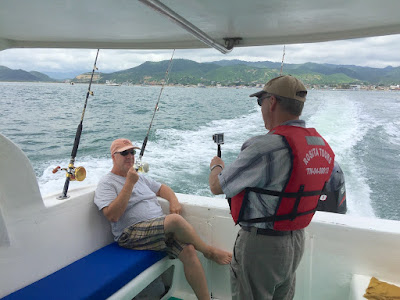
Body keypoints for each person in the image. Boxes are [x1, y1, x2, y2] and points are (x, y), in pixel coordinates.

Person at [208, 75, 335, 300]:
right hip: (295, 241)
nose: (261, 109)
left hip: (262, 245)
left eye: (261, 102)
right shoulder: (319, 145)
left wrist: (216, 167)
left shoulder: (264, 147)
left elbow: (218, 186)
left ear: (272, 102)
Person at [94, 138, 232, 300]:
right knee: (174, 220)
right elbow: (112, 215)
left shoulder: (140, 178)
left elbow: (162, 189)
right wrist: (129, 184)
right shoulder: (107, 183)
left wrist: (173, 201)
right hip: (130, 234)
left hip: (156, 229)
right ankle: (209, 252)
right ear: (113, 157)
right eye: (124, 153)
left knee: (188, 251)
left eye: (132, 152)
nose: (130, 156)